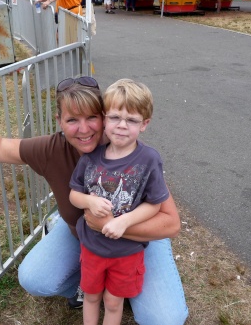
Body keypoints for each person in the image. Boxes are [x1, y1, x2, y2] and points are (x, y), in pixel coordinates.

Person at [0, 77, 188, 325]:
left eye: (92, 117)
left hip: (137, 239)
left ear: (103, 117)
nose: (84, 130)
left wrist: (111, 224)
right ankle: (89, 284)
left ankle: (120, 286)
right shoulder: (51, 149)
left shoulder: (126, 147)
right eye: (72, 120)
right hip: (82, 235)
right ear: (59, 120)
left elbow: (170, 223)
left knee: (164, 320)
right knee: (35, 278)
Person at [69, 79, 169, 325]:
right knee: (91, 297)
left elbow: (154, 204)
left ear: (144, 124)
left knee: (113, 303)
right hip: (91, 247)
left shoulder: (148, 159)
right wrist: (89, 202)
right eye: (115, 117)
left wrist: (124, 222)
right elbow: (74, 194)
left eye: (132, 120)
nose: (122, 126)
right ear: (104, 119)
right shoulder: (90, 158)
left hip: (127, 252)